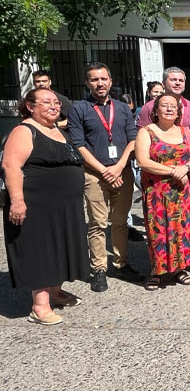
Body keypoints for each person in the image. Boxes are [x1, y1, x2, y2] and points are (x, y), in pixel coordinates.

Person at [3, 88, 88, 325]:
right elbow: (11, 166)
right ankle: (39, 306)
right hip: (36, 205)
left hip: (63, 207)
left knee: (60, 248)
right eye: (46, 102)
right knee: (40, 251)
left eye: (56, 102)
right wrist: (17, 201)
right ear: (30, 106)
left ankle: (54, 291)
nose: (54, 105)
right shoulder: (24, 131)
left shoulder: (56, 129)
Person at [67, 62, 143, 291]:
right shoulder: (79, 108)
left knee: (119, 222)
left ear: (110, 81)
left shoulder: (121, 108)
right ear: (87, 83)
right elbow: (78, 145)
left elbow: (133, 140)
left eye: (103, 79)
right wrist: (104, 171)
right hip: (95, 175)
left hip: (122, 172)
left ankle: (120, 264)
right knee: (98, 223)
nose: (99, 83)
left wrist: (118, 167)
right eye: (94, 79)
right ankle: (99, 269)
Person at [135, 92, 190, 290]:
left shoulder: (185, 131)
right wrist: (174, 171)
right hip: (156, 192)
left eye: (173, 106)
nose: (169, 109)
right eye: (164, 105)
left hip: (180, 193)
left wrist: (186, 168)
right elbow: (142, 161)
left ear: (178, 112)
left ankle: (179, 269)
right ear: (156, 110)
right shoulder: (146, 131)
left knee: (181, 230)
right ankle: (157, 271)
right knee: (158, 231)